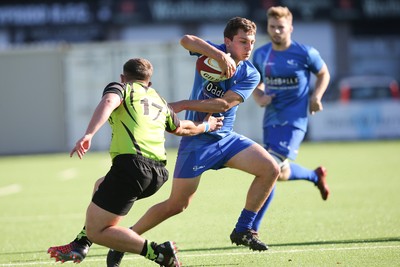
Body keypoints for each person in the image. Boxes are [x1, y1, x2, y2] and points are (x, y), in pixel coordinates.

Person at [106, 16, 280, 267]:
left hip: (225, 138)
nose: (249, 47)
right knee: (177, 205)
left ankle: (244, 229)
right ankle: (127, 238)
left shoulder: (251, 73)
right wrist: (219, 56)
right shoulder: (215, 54)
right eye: (243, 41)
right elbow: (186, 40)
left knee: (270, 168)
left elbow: (224, 104)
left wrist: (184, 104)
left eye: (251, 42)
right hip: (196, 139)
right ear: (228, 42)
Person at [47, 58, 224, 267]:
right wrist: (206, 125)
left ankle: (159, 253)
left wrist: (89, 134)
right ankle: (81, 243)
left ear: (123, 77)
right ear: (149, 81)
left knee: (99, 231)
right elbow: (181, 128)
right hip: (157, 173)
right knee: (100, 185)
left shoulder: (122, 88)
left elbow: (109, 102)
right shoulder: (158, 98)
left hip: (132, 167)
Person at [249, 6, 331, 233]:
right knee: (281, 172)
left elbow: (324, 73)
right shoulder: (261, 54)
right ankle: (315, 176)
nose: (276, 31)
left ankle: (251, 228)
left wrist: (316, 96)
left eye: (281, 27)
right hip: (271, 119)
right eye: (272, 27)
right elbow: (254, 81)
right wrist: (259, 95)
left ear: (290, 28)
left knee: (269, 169)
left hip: (295, 120)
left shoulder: (305, 53)